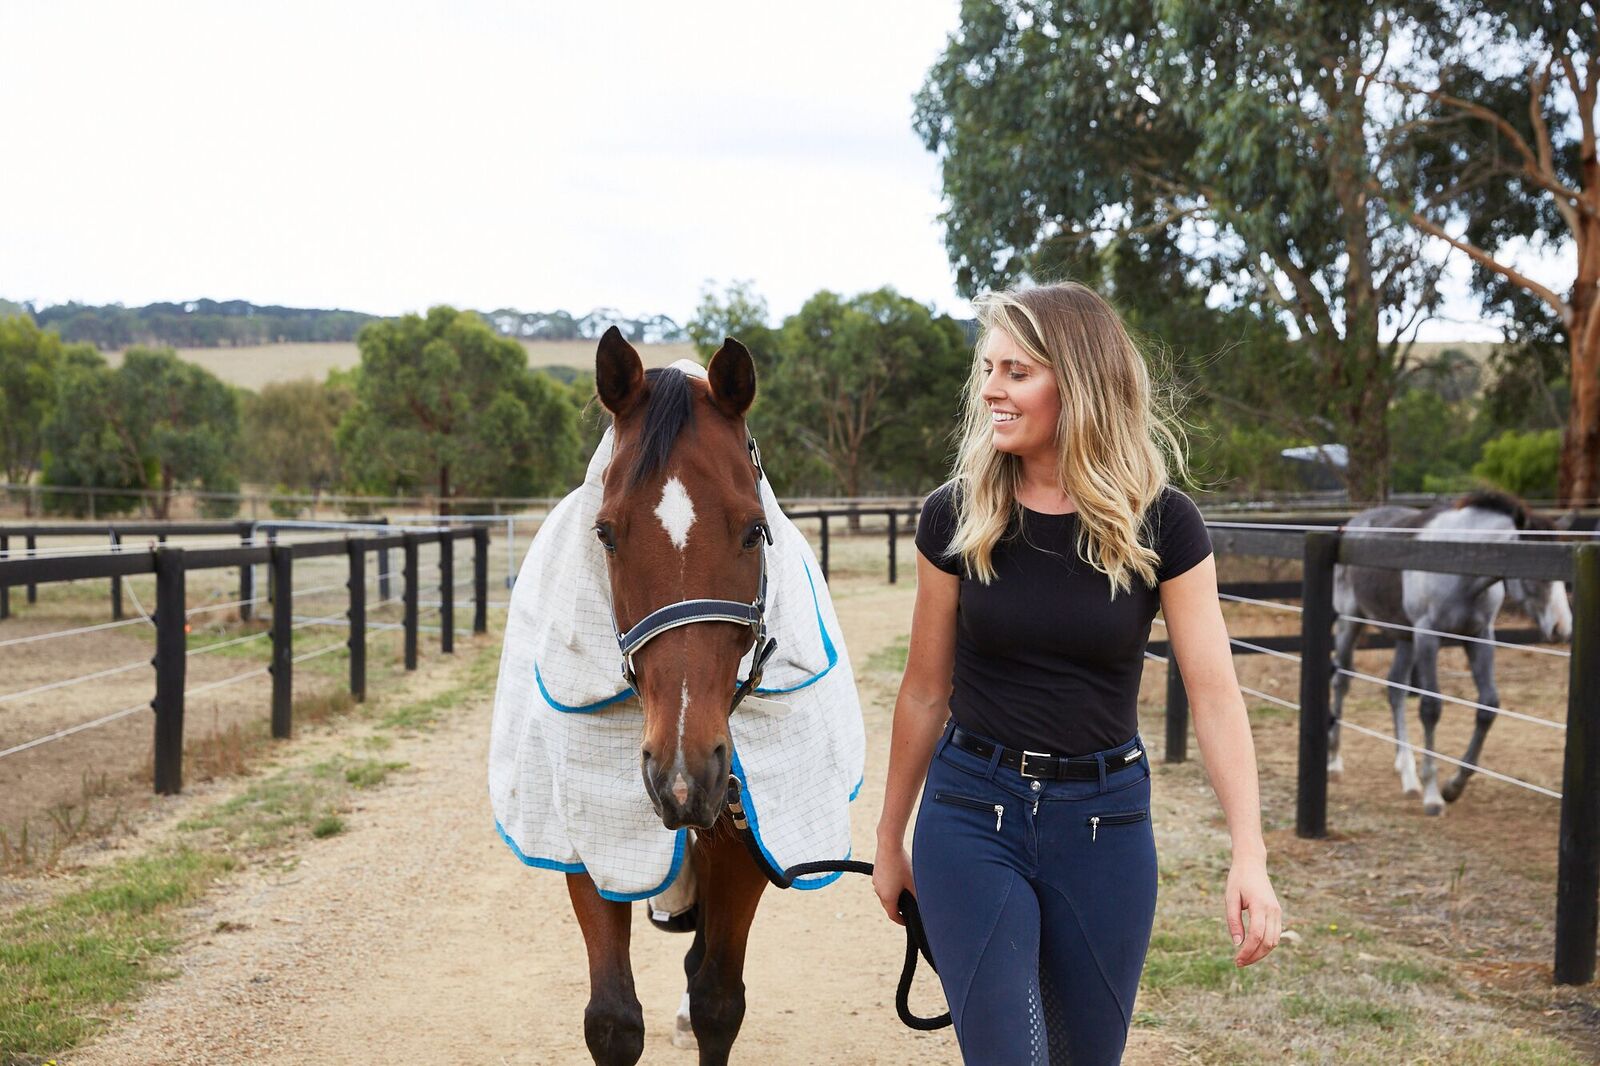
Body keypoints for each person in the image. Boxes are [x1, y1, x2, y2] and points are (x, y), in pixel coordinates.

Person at [873, 281, 1281, 1065]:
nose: (990, 389)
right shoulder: (953, 517)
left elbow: (1216, 696)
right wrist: (891, 840)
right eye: (988, 369)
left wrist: (1249, 854)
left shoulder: (1163, 522)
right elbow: (925, 690)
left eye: (1016, 372)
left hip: (1106, 827)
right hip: (970, 815)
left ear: (1081, 382)